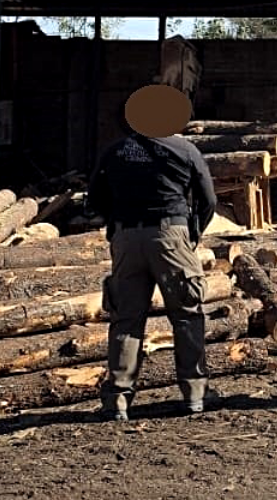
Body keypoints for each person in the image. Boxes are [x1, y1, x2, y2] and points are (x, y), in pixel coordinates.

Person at [88, 88, 218, 420]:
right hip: (171, 234)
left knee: (126, 319)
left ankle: (117, 399)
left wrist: (116, 229)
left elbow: (94, 200)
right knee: (187, 315)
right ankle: (194, 394)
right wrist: (191, 233)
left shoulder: (113, 152)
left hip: (126, 237)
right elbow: (208, 200)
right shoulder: (185, 149)